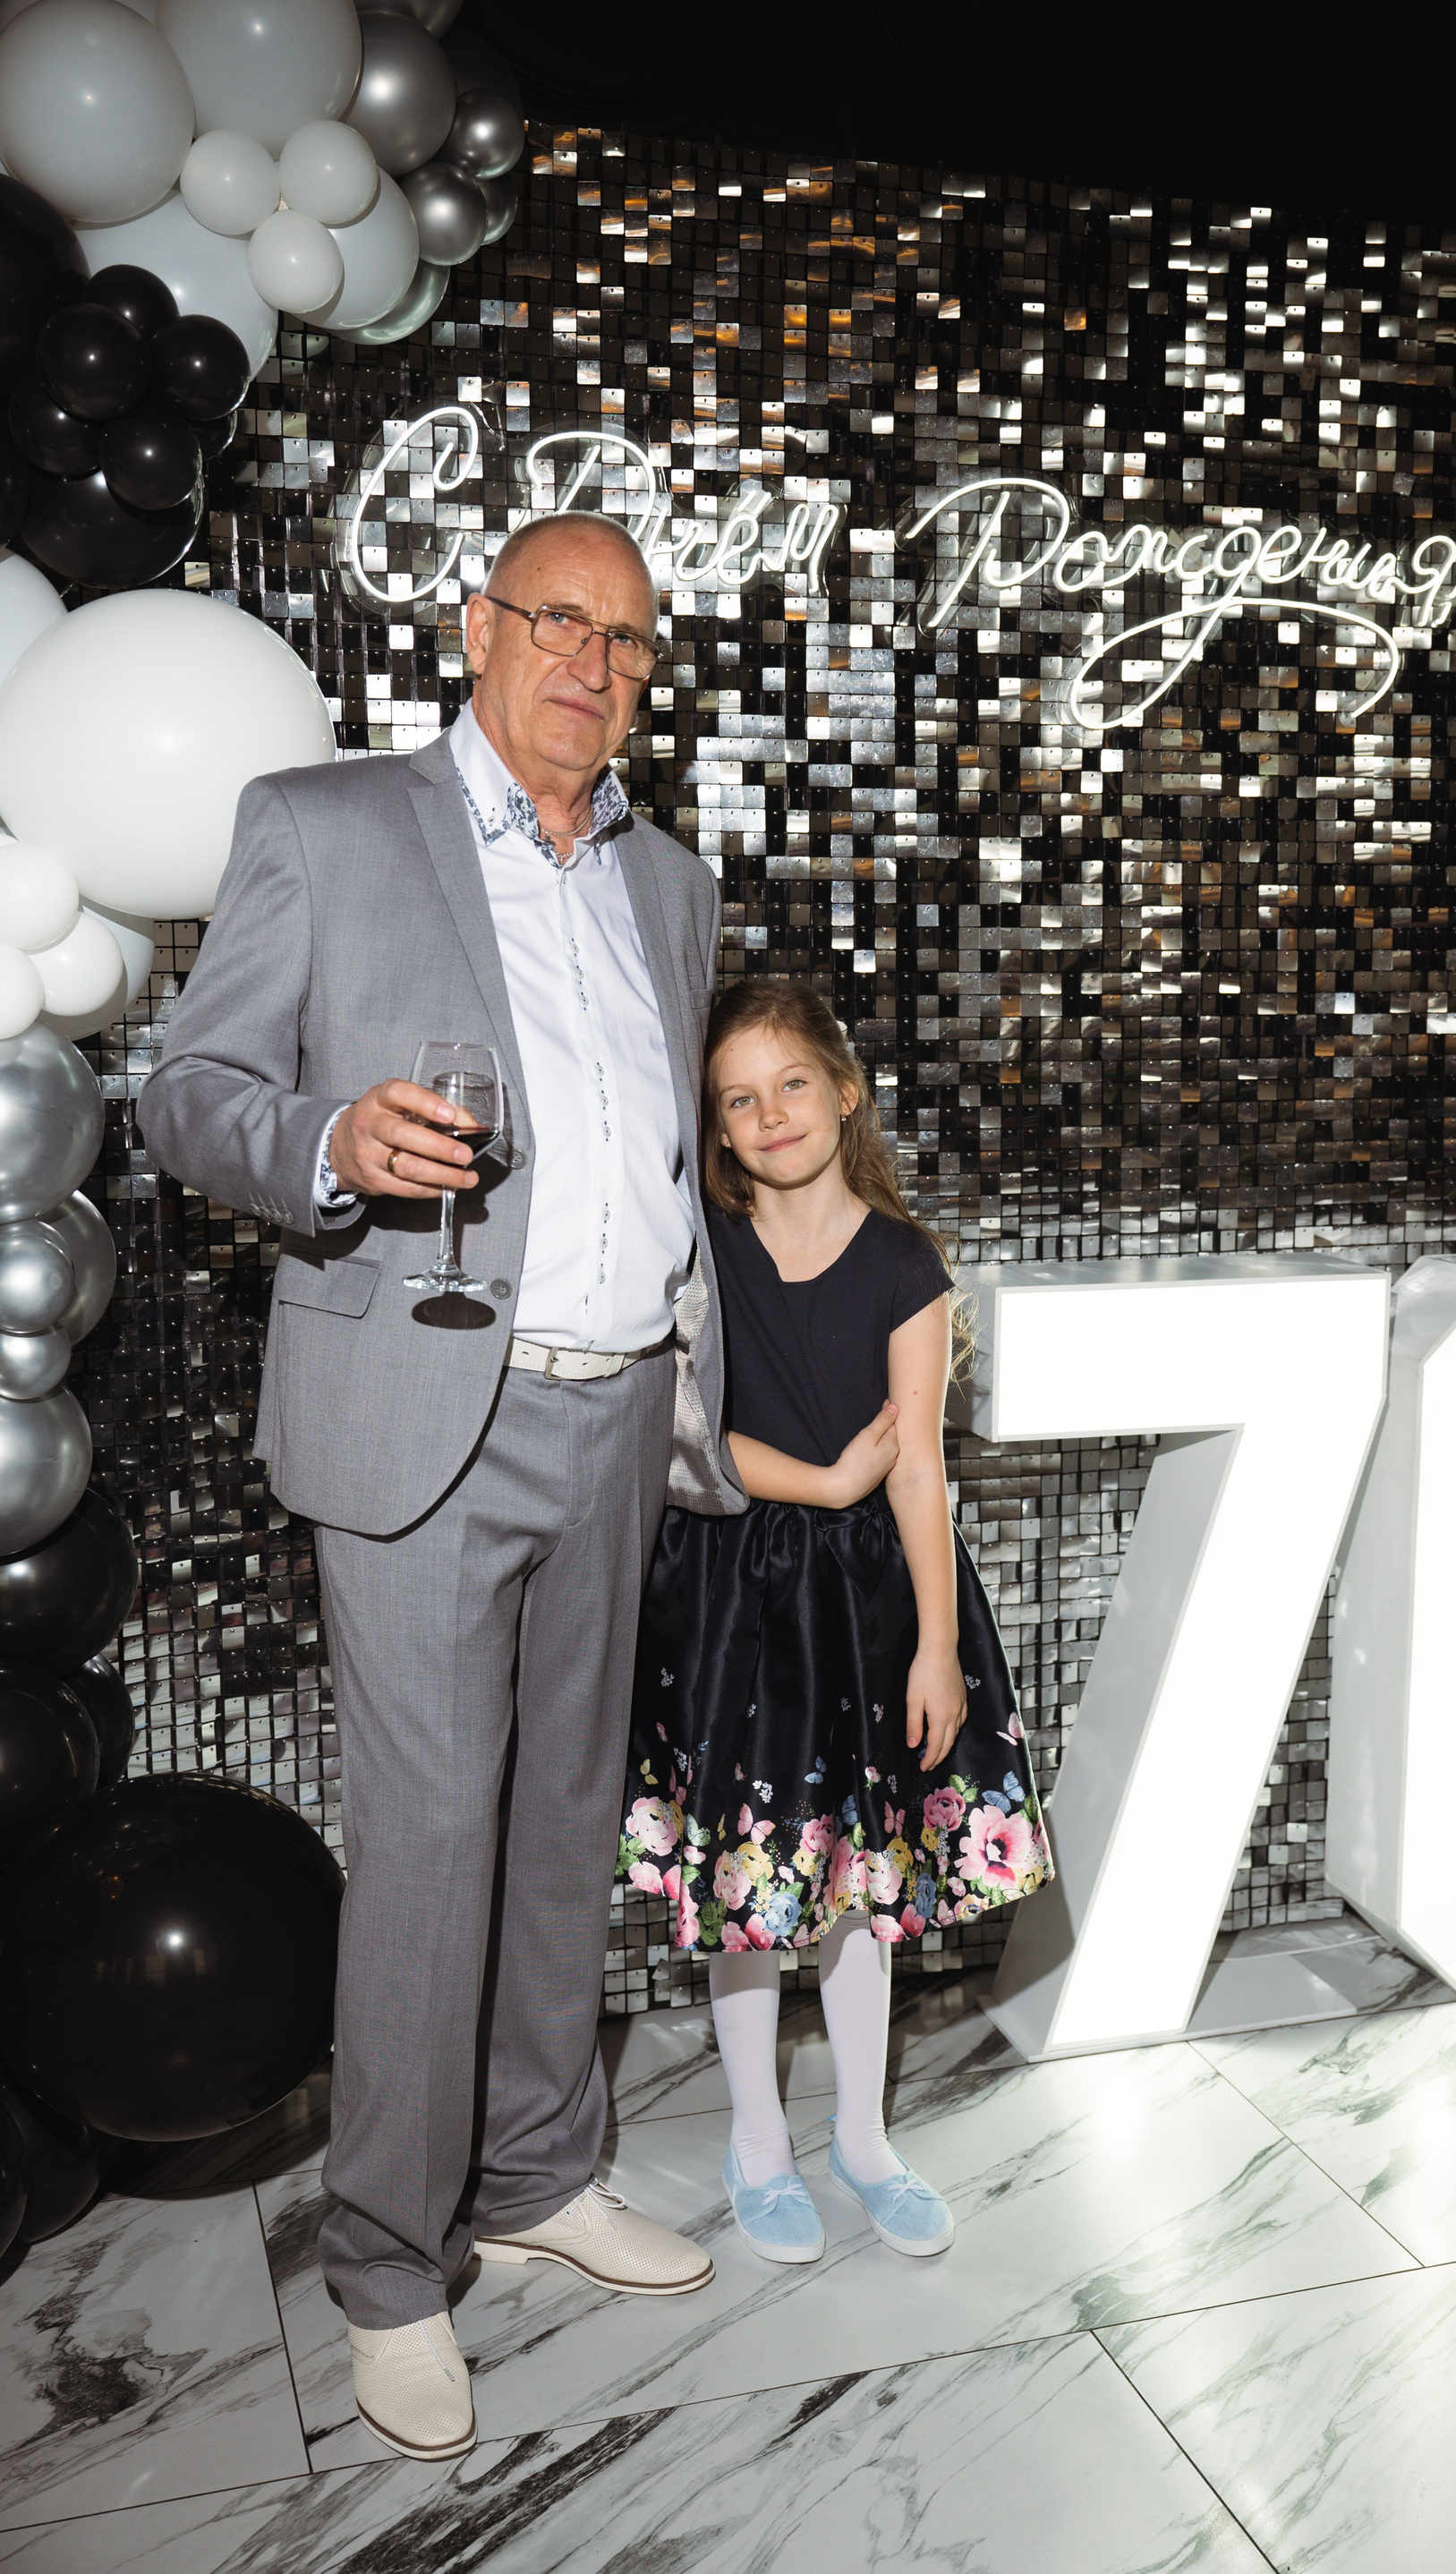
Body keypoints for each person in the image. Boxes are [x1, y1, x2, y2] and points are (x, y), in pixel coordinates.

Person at [139, 512, 746, 2464]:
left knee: (568, 1815)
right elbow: (186, 1091)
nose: (592, 663)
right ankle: (392, 2264)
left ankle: (542, 2169)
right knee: (429, 1838)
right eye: (558, 621)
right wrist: (330, 1141)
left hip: (618, 1408)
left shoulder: (670, 882)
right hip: (420, 1412)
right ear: (478, 631)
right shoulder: (326, 826)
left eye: (628, 641)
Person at [617, 978, 1052, 2264]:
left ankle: (863, 2138)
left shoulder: (905, 1265)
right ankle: (758, 2145)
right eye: (738, 1100)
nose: (770, 1114)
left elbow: (917, 1466)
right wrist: (819, 1482)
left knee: (861, 1886)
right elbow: (683, 1431)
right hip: (733, 1600)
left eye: (792, 1084)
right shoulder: (701, 1246)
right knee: (752, 1880)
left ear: (845, 1092)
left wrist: (937, 1647)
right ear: (717, 1126)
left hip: (867, 1608)